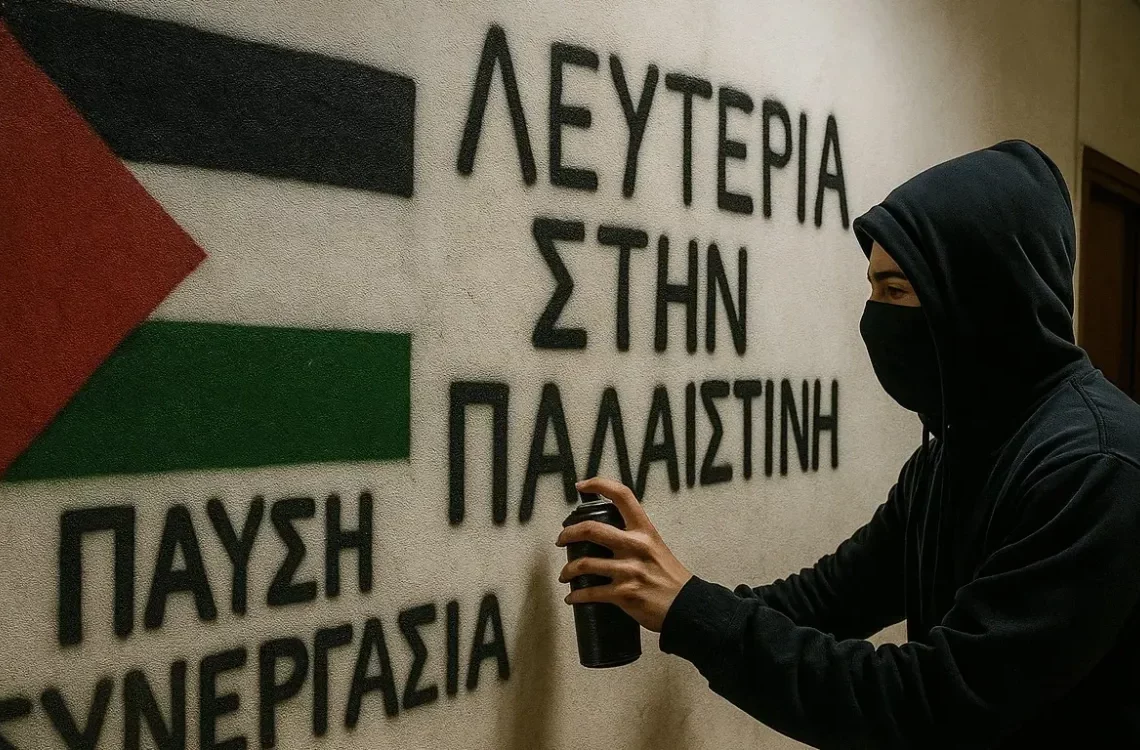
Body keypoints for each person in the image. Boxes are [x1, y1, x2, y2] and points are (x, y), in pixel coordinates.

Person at [556, 140, 1140, 748]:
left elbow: (933, 703)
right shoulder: (958, 449)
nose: (874, 317)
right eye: (873, 289)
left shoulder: (1097, 468)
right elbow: (834, 596)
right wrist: (664, 592)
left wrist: (689, 608)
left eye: (896, 291)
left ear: (982, 298)